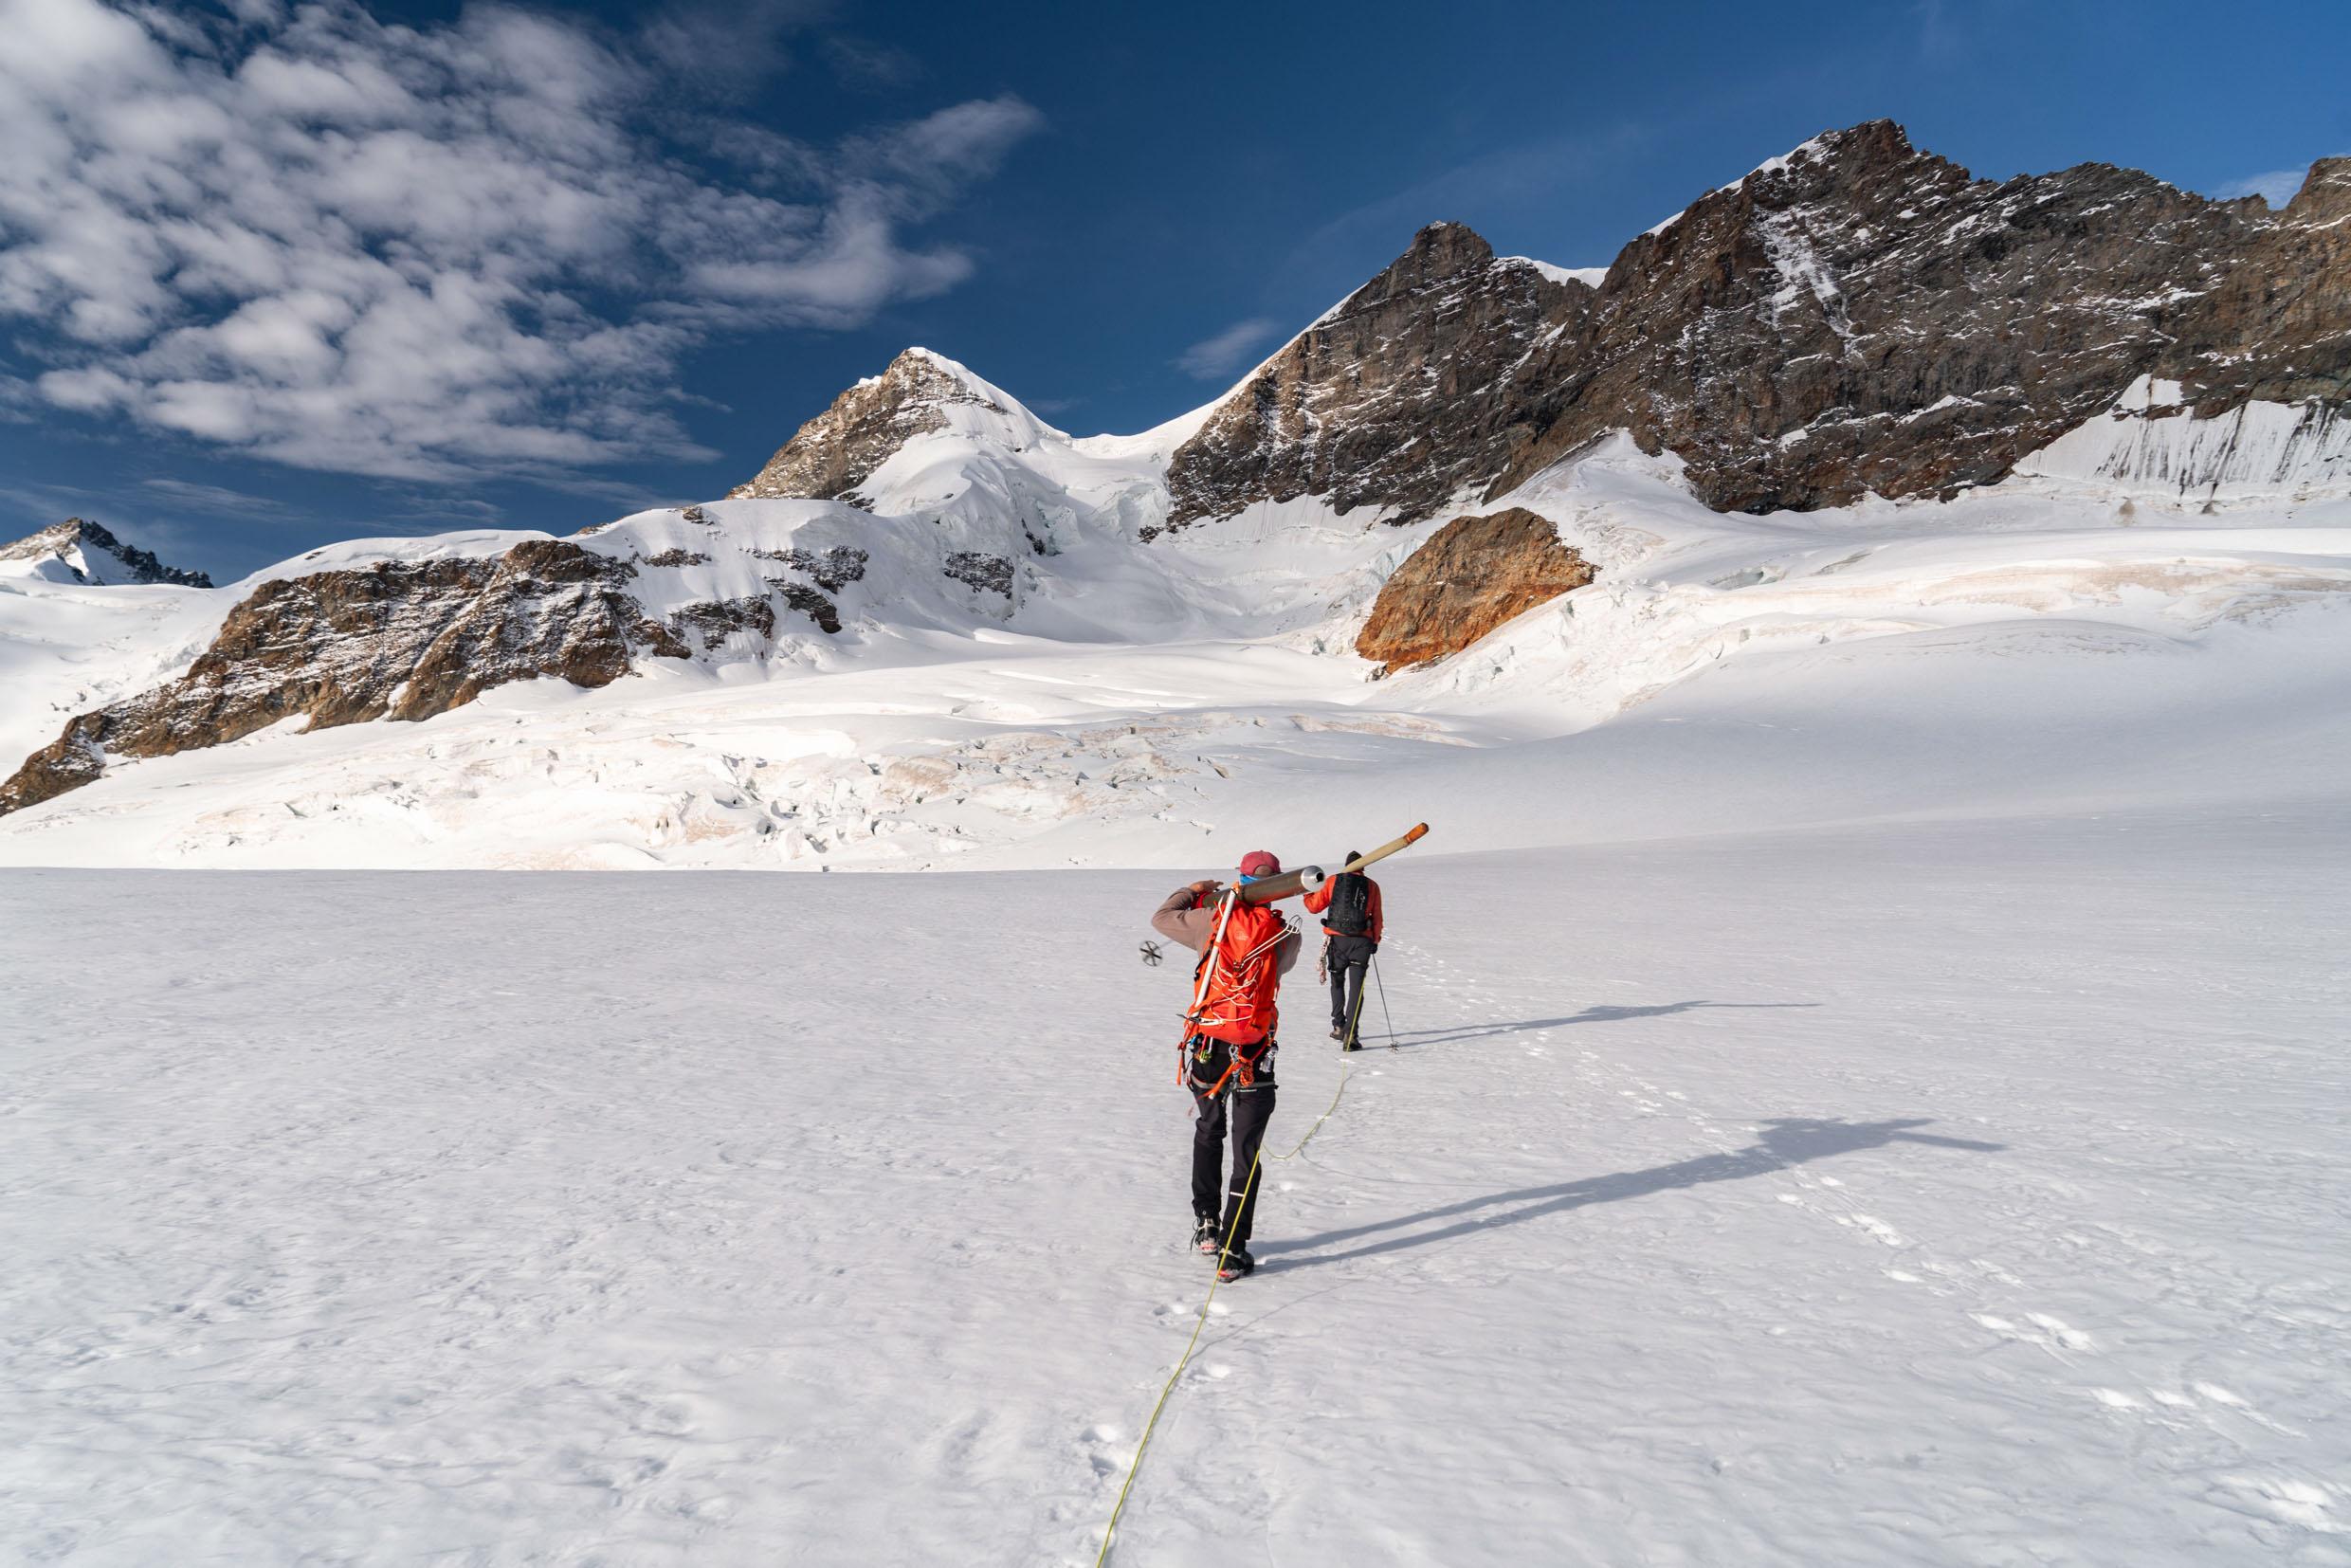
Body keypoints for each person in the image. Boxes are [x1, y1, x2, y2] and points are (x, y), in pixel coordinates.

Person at [1150, 849, 1303, 1281]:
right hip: (1255, 1052)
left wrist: (1195, 893)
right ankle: (1233, 1251)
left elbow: (1161, 918)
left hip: (1207, 1047)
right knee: (1246, 1151)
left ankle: (1207, 1226)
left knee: (1208, 1129)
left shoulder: (1208, 922)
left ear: (1239, 879)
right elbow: (1282, 969)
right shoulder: (1286, 932)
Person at [1303, 851, 1383, 1050]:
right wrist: (1375, 939)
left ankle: (1338, 1026)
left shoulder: (1333, 881)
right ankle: (1351, 1035)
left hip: (1337, 941)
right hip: (1361, 943)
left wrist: (1307, 894)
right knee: (1357, 989)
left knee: (1337, 982)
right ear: (1363, 867)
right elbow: (1377, 916)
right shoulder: (1372, 886)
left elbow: (1314, 907)